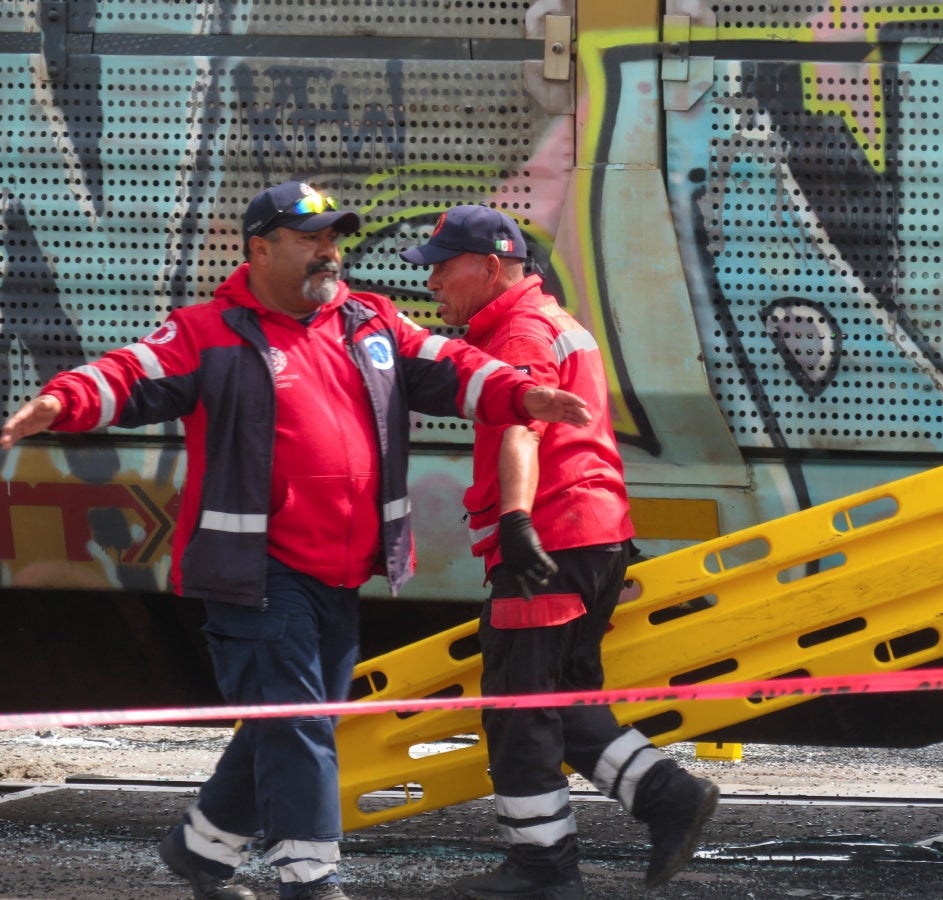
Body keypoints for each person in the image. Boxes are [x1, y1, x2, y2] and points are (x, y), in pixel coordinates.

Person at [0, 182, 592, 900]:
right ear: (259, 249)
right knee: (301, 723)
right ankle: (310, 880)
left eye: (333, 238)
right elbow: (128, 374)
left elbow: (455, 366)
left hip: (341, 575)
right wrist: (60, 401)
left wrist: (521, 392)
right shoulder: (210, 332)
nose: (329, 252)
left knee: (286, 722)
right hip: (255, 576)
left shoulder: (369, 322)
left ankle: (200, 847)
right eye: (311, 238)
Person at [401, 206, 719, 900]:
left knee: (518, 708)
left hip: (549, 539)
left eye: (440, 265)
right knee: (560, 699)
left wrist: (515, 519)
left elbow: (526, 422)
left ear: (489, 267)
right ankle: (668, 798)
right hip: (592, 535)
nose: (430, 282)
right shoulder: (555, 319)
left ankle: (542, 867)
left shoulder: (517, 330)